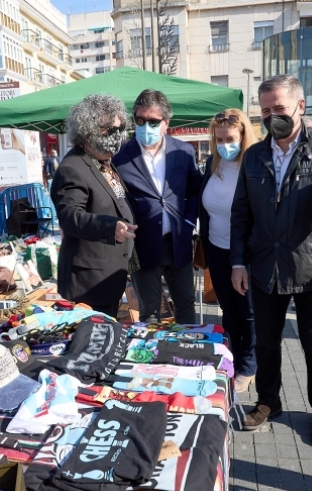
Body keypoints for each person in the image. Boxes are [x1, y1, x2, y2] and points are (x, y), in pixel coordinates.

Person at [229, 75, 312, 445]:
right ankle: (268, 401)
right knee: (265, 340)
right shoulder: (254, 155)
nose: (271, 116)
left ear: (300, 105)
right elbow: (241, 213)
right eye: (264, 111)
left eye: (278, 108)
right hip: (265, 266)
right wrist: (237, 262)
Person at [112, 89, 202, 324]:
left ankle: (188, 350)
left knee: (185, 303)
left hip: (178, 241)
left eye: (153, 121)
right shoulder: (119, 156)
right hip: (142, 245)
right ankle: (151, 357)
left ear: (166, 123)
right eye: (140, 121)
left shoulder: (183, 152)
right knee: (150, 311)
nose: (145, 127)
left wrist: (190, 219)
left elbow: (195, 190)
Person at [51, 94, 135, 318]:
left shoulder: (103, 162)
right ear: (88, 130)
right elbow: (69, 216)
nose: (117, 136)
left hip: (109, 277)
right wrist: (109, 226)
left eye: (120, 129)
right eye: (111, 130)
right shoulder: (73, 167)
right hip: (89, 285)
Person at [199, 108, 258, 393]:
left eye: (230, 138)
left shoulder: (256, 163)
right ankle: (231, 356)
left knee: (248, 313)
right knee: (228, 310)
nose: (224, 145)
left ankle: (249, 365)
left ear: (244, 135)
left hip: (247, 253)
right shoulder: (214, 162)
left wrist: (243, 259)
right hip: (216, 247)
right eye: (219, 139)